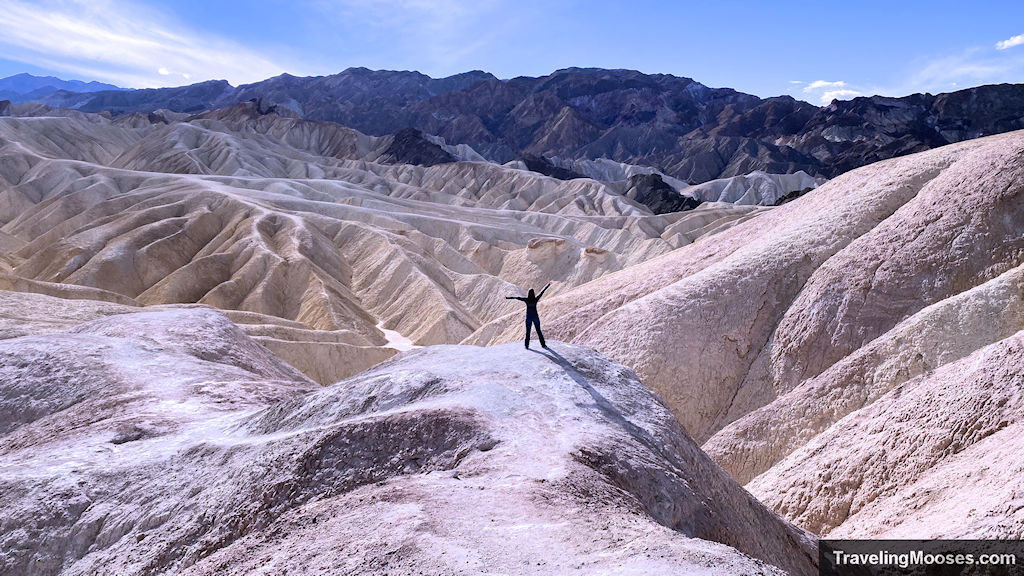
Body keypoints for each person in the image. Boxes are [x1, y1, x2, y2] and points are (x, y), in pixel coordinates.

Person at [506, 283, 551, 349]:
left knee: (528, 332)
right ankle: (543, 344)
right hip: (535, 317)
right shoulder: (536, 299)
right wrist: (548, 285)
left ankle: (527, 346)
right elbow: (542, 292)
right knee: (538, 331)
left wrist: (507, 297)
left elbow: (517, 298)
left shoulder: (526, 300)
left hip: (528, 318)